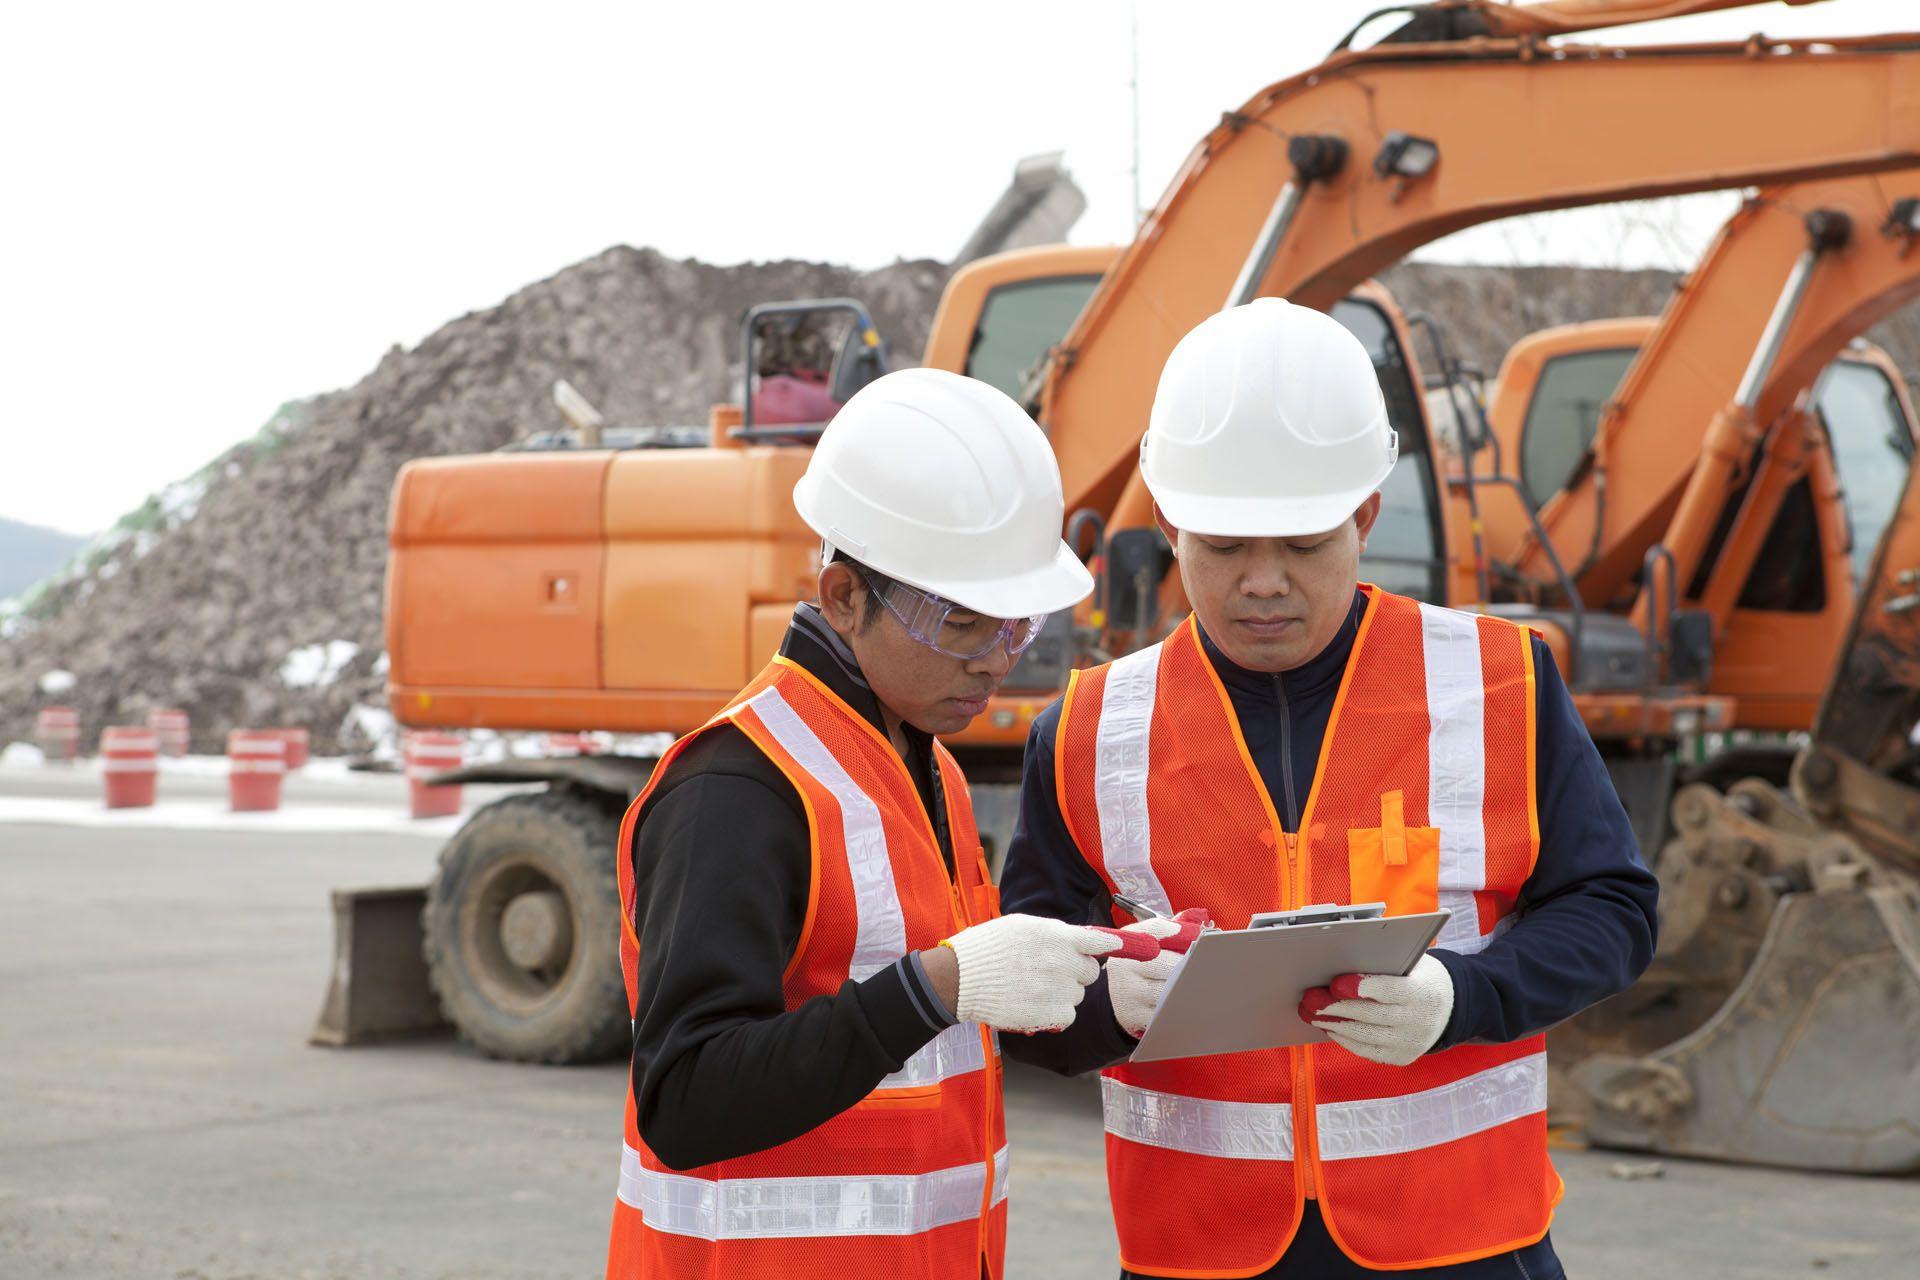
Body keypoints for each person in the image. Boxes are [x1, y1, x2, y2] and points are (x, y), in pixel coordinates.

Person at [999, 299, 1659, 1278]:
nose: (1263, 581)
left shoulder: (1499, 679)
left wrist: (1463, 994)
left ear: (1365, 516)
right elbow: (1023, 994)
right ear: (1172, 525)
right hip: (1200, 1251)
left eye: (1304, 546)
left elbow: (1614, 908)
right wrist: (1103, 1004)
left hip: (1463, 1241)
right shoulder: (1090, 727)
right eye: (1223, 548)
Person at [604, 366, 1123, 1280]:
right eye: (964, 624)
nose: (997, 662)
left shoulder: (931, 767)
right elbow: (684, 1100)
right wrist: (936, 985)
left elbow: (944, 1045)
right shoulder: (738, 787)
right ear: (845, 598)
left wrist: (1105, 995)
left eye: (1018, 627)